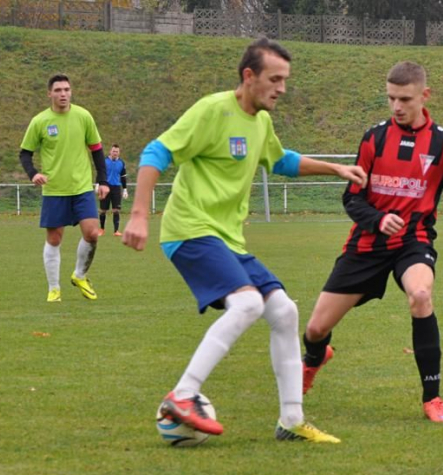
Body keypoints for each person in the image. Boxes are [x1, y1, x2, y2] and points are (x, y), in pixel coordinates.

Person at [122, 38, 367, 443]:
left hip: (227, 239)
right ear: (248, 76)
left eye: (285, 80)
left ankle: (291, 420)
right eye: (275, 79)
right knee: (249, 302)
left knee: (285, 312)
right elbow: (156, 152)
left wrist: (335, 169)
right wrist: (138, 216)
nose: (282, 88)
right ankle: (183, 394)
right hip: (190, 230)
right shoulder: (212, 110)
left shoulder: (261, 122)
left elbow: (282, 161)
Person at [300, 61, 443, 423]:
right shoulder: (374, 139)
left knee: (420, 295)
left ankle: (433, 398)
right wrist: (377, 219)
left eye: (404, 98)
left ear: (424, 96)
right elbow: (352, 197)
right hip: (366, 245)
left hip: (413, 243)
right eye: (390, 98)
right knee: (315, 329)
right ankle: (314, 358)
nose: (396, 106)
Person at [19, 74, 109, 303]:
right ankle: (54, 288)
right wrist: (34, 174)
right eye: (58, 90)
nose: (63, 94)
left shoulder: (83, 116)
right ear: (49, 93)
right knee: (55, 239)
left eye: (67, 89)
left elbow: (97, 149)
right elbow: (25, 153)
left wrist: (103, 181)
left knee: (92, 233)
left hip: (81, 187)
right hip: (55, 190)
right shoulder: (40, 121)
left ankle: (79, 275)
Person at [98, 143, 128, 237]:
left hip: (116, 189)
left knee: (116, 210)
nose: (115, 153)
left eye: (117, 151)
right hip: (105, 187)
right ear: (110, 151)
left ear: (119, 153)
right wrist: (98, 184)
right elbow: (100, 173)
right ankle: (101, 229)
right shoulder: (105, 161)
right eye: (114, 151)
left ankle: (116, 231)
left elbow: (123, 177)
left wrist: (125, 189)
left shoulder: (121, 163)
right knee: (103, 210)